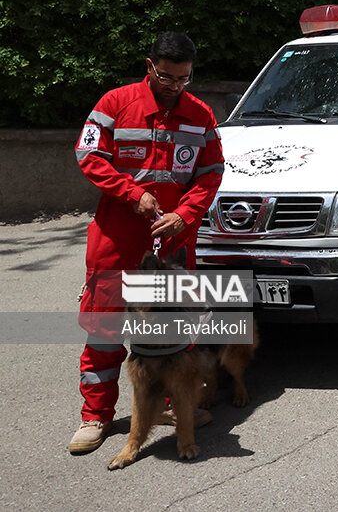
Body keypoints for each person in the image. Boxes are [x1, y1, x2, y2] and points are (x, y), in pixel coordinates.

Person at [68, 32, 224, 454]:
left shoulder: (200, 114)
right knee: (104, 326)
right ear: (150, 65)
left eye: (184, 79)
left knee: (175, 326)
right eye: (167, 76)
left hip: (171, 240)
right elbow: (89, 157)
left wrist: (185, 215)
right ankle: (95, 416)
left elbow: (210, 172)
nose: (175, 86)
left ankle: (173, 405)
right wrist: (132, 193)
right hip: (117, 237)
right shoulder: (115, 104)